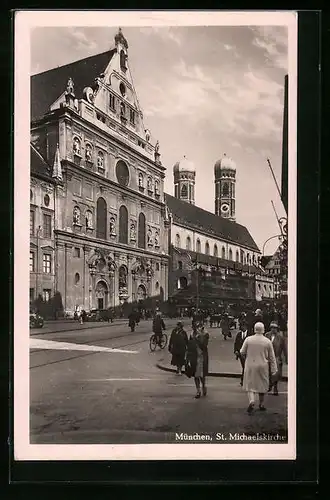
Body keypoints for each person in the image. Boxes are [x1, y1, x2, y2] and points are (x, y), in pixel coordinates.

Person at [240, 322, 277, 414]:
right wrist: (274, 369)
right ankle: (261, 404)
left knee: (250, 384)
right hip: (263, 365)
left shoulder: (248, 339)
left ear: (254, 329)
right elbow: (272, 357)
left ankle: (251, 401)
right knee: (262, 384)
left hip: (250, 364)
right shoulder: (267, 341)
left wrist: (247, 358)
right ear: (263, 329)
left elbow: (242, 352)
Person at [186, 324, 209, 398]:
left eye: (197, 327)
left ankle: (203, 386)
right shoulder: (191, 334)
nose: (195, 329)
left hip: (201, 357)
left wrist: (198, 338)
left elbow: (204, 345)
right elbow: (189, 346)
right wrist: (188, 357)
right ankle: (198, 390)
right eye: (194, 327)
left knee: (201, 375)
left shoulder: (205, 334)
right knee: (195, 375)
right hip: (194, 356)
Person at [265, 321, 287, 395]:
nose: (273, 329)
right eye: (272, 328)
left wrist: (286, 359)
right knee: (268, 372)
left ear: (277, 329)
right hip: (267, 357)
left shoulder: (281, 337)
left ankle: (275, 387)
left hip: (276, 357)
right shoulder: (267, 335)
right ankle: (269, 385)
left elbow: (284, 348)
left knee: (276, 373)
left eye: (274, 328)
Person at [234, 319, 251, 386]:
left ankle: (243, 379)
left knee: (246, 367)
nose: (241, 327)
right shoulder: (239, 334)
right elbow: (236, 343)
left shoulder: (250, 334)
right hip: (241, 354)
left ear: (246, 326)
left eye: (242, 326)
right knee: (244, 366)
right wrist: (235, 351)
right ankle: (244, 379)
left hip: (248, 354)